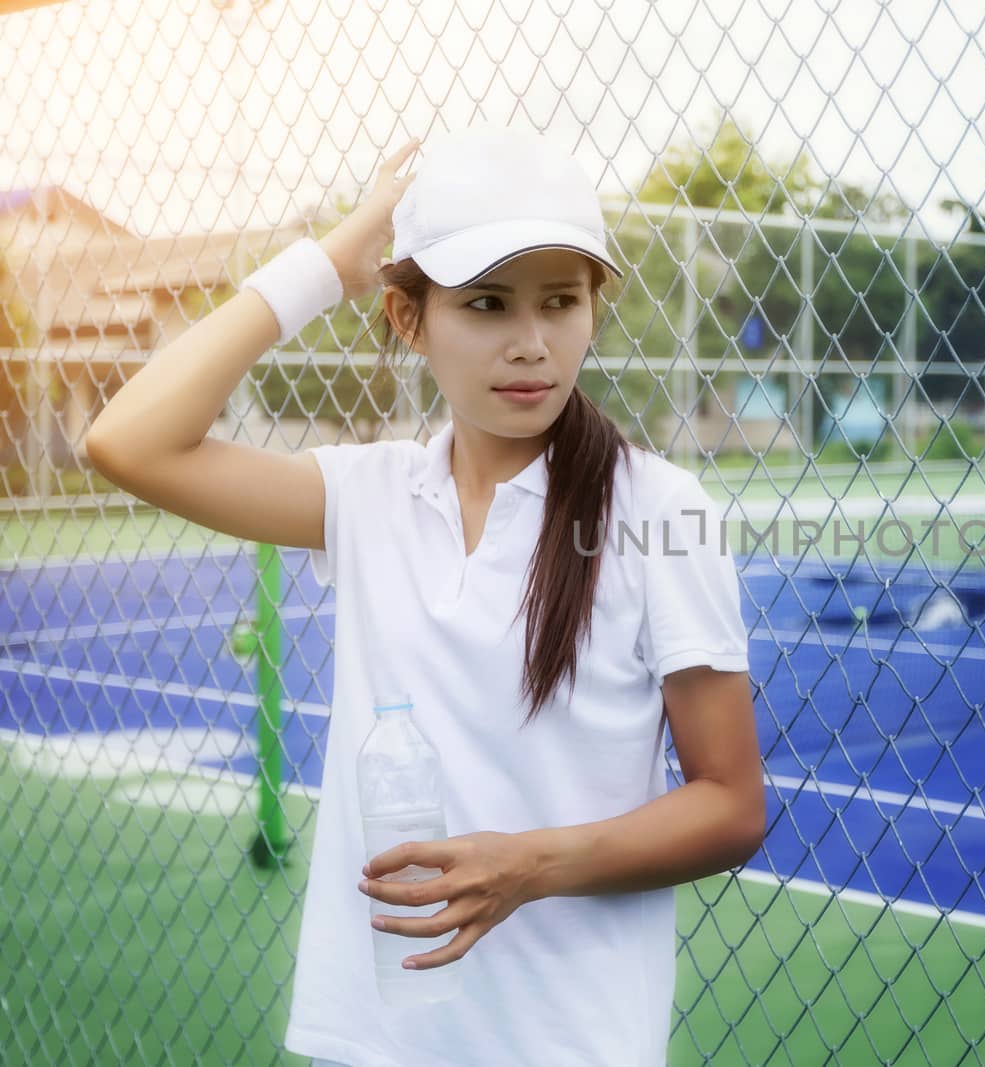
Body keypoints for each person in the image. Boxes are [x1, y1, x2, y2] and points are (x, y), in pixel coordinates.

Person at [85, 124, 766, 1066]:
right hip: (372, 1038)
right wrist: (326, 263)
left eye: (560, 302)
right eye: (487, 304)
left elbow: (732, 803)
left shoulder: (660, 511)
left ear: (593, 306)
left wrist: (528, 865)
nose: (531, 344)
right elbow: (127, 442)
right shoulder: (370, 497)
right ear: (412, 320)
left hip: (569, 1042)